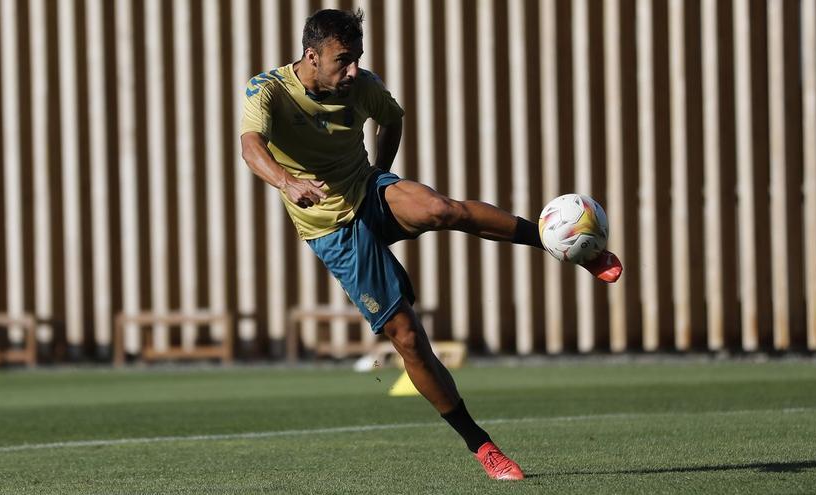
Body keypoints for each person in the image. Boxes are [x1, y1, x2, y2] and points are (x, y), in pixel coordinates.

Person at [240, 9, 622, 481]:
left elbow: (391, 120)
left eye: (358, 58)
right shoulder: (269, 89)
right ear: (311, 56)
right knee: (408, 339)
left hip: (366, 189)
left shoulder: (363, 86)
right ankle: (483, 447)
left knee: (443, 209)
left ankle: (559, 246)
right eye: (343, 60)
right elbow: (250, 145)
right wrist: (286, 181)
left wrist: (380, 172)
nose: (353, 70)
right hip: (330, 228)